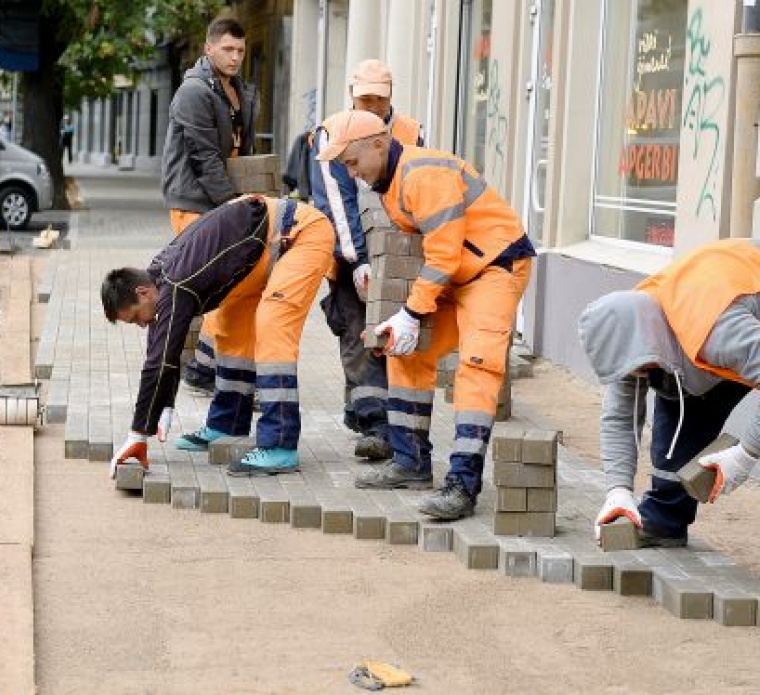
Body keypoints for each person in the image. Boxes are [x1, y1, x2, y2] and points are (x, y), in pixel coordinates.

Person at [578, 238, 760, 620]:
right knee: (679, 403)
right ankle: (664, 519)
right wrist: (617, 491)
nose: (638, 377)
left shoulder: (712, 328)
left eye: (641, 370)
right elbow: (619, 415)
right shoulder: (632, 323)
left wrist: (745, 455)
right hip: (741, 317)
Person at [316, 109, 536, 521]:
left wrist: (412, 312)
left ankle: (462, 484)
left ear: (378, 145)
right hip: (456, 274)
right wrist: (399, 310)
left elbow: (443, 254)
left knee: (477, 365)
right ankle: (411, 461)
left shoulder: (421, 175)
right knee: (406, 351)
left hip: (495, 267)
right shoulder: (389, 179)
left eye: (352, 162)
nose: (352, 173)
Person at [102, 195, 334, 477]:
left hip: (299, 236)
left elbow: (160, 360)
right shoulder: (157, 276)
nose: (141, 325)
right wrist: (164, 404)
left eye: (136, 317)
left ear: (142, 293)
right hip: (258, 255)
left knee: (272, 326)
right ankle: (227, 423)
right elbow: (162, 348)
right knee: (230, 327)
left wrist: (138, 434)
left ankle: (279, 445)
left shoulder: (176, 283)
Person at [310, 59, 424, 462]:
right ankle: (374, 423)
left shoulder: (410, 132)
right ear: (351, 95)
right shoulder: (332, 132)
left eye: (378, 98)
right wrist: (357, 259)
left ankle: (369, 415)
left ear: (390, 96)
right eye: (364, 98)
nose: (371, 106)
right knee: (356, 331)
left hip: (396, 253)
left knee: (388, 331)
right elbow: (335, 203)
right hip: (348, 254)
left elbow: (417, 191)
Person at [161, 15, 257, 396]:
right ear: (209, 48)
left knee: (227, 285)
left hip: (221, 199)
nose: (235, 57)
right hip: (195, 200)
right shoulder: (194, 92)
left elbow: (240, 150)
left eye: (240, 51)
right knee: (220, 286)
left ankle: (205, 368)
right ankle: (204, 369)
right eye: (228, 49)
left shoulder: (238, 89)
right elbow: (202, 157)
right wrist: (235, 206)